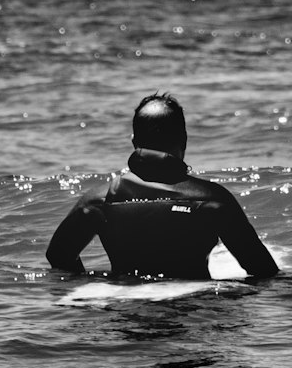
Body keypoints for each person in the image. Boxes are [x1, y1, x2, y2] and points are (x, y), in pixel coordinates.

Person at [46, 91, 279, 280]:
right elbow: (262, 270)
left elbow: (58, 256)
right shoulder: (213, 199)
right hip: (192, 316)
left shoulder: (97, 200)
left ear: (134, 142)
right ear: (184, 140)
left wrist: (101, 285)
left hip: (125, 320)